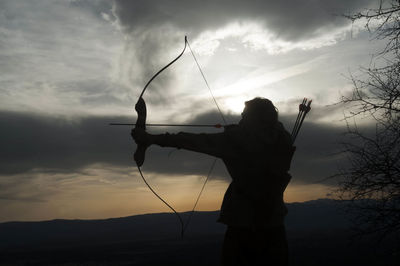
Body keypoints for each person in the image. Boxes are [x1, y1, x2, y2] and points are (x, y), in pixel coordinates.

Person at [131, 97, 294, 266]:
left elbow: (193, 141)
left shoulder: (236, 140)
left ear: (253, 119)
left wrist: (149, 138)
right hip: (274, 226)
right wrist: (238, 131)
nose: (240, 118)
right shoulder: (283, 138)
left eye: (244, 116)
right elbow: (262, 138)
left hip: (243, 226)